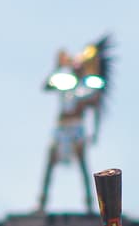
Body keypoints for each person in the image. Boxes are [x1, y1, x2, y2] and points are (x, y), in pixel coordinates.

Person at [38, 36, 112, 213]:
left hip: (76, 126)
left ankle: (89, 203)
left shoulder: (89, 85)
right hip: (61, 126)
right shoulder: (65, 81)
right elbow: (47, 86)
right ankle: (42, 201)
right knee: (51, 160)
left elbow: (95, 106)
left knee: (82, 164)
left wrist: (95, 132)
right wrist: (57, 67)